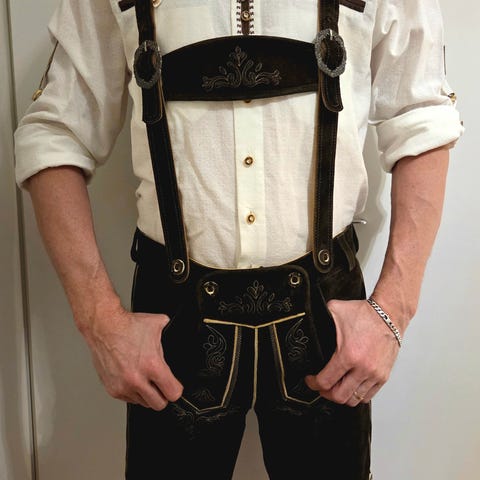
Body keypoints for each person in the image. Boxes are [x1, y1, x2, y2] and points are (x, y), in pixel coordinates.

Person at [15, 0, 463, 478]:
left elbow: (421, 115)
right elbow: (55, 134)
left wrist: (393, 312)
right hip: (173, 321)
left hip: (326, 317)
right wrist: (100, 323)